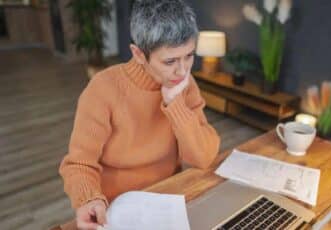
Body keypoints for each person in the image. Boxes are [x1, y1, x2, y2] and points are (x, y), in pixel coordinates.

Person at [59, 0, 220, 229]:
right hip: (116, 209)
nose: (183, 70)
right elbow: (78, 163)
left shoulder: (184, 84)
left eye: (189, 56)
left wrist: (176, 104)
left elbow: (203, 157)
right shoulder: (103, 89)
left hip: (168, 201)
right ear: (138, 54)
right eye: (170, 61)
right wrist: (89, 198)